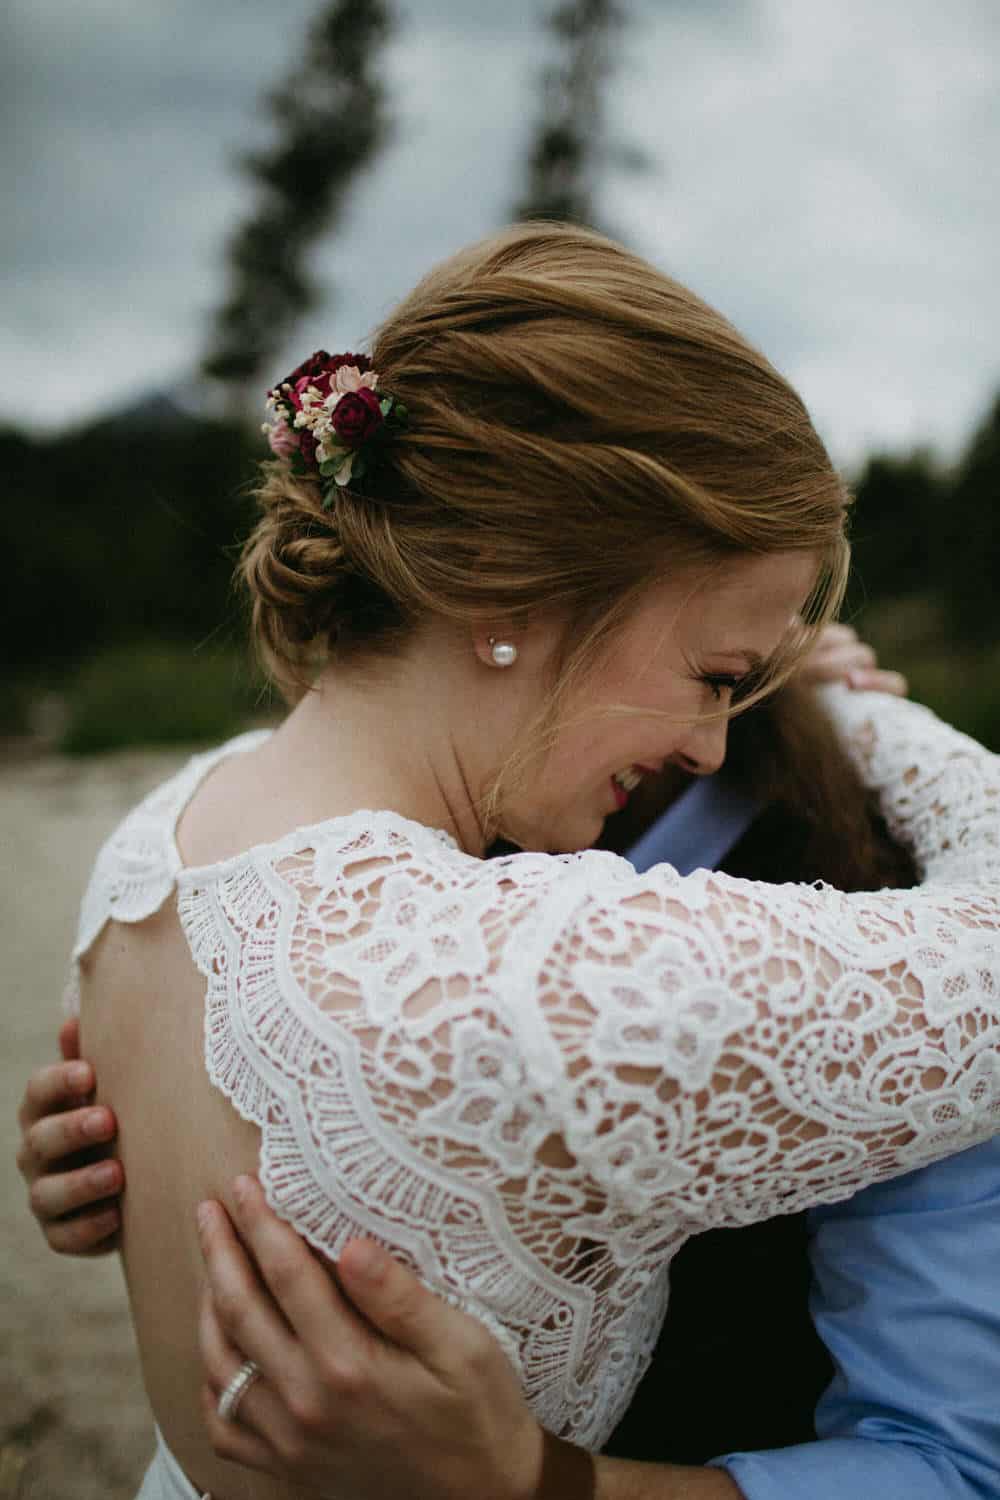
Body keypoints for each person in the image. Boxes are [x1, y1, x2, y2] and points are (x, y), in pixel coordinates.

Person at [18, 221, 1000, 1500]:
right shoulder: (540, 976)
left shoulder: (161, 842)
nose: (713, 745)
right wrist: (868, 712)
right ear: (517, 589)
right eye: (715, 678)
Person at [20, 658, 1000, 1498]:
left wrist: (536, 1482)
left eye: (727, 672)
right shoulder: (370, 847)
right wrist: (133, 1152)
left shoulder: (887, 938)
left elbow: (947, 1470)